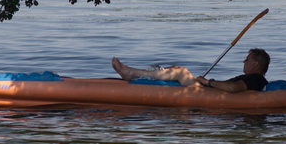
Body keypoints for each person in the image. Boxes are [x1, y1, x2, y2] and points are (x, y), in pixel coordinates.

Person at [112, 48, 270, 92]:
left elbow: (233, 87)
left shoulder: (255, 78)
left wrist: (208, 82)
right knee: (177, 70)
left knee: (181, 72)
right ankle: (136, 74)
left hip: (208, 92)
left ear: (256, 64)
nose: (244, 61)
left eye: (247, 59)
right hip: (209, 89)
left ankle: (131, 73)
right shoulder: (252, 78)